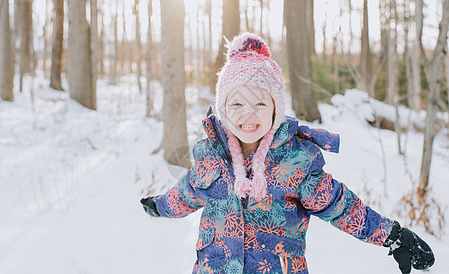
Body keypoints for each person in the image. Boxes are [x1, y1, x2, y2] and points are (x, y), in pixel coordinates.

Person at [140, 33, 434, 274]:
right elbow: (186, 192)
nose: (248, 115)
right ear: (223, 109)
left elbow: (340, 205)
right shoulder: (210, 155)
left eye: (260, 104)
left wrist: (392, 235)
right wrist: (160, 206)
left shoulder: (296, 161)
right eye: (237, 105)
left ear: (275, 109)